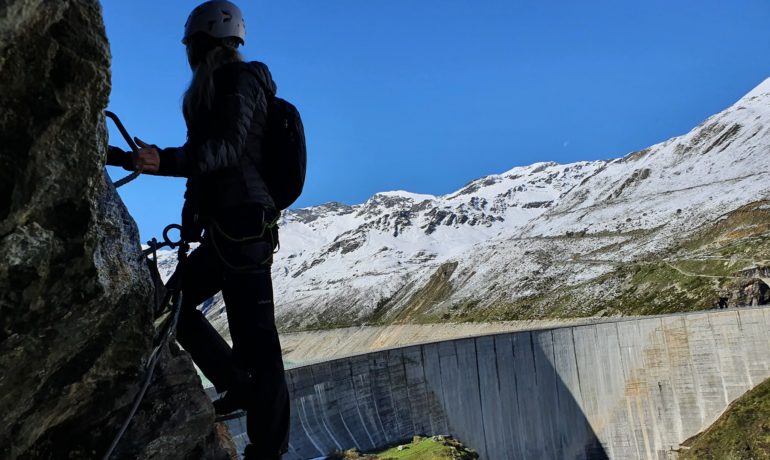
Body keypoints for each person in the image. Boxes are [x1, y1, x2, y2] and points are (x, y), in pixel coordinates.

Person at [107, 2, 290, 458]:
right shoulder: (214, 89)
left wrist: (165, 161)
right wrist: (190, 215)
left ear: (203, 43)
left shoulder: (238, 82)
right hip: (229, 228)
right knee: (180, 307)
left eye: (191, 45)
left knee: (260, 343)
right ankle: (237, 385)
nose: (188, 54)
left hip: (244, 229)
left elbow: (223, 152)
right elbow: (205, 160)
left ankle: (268, 449)